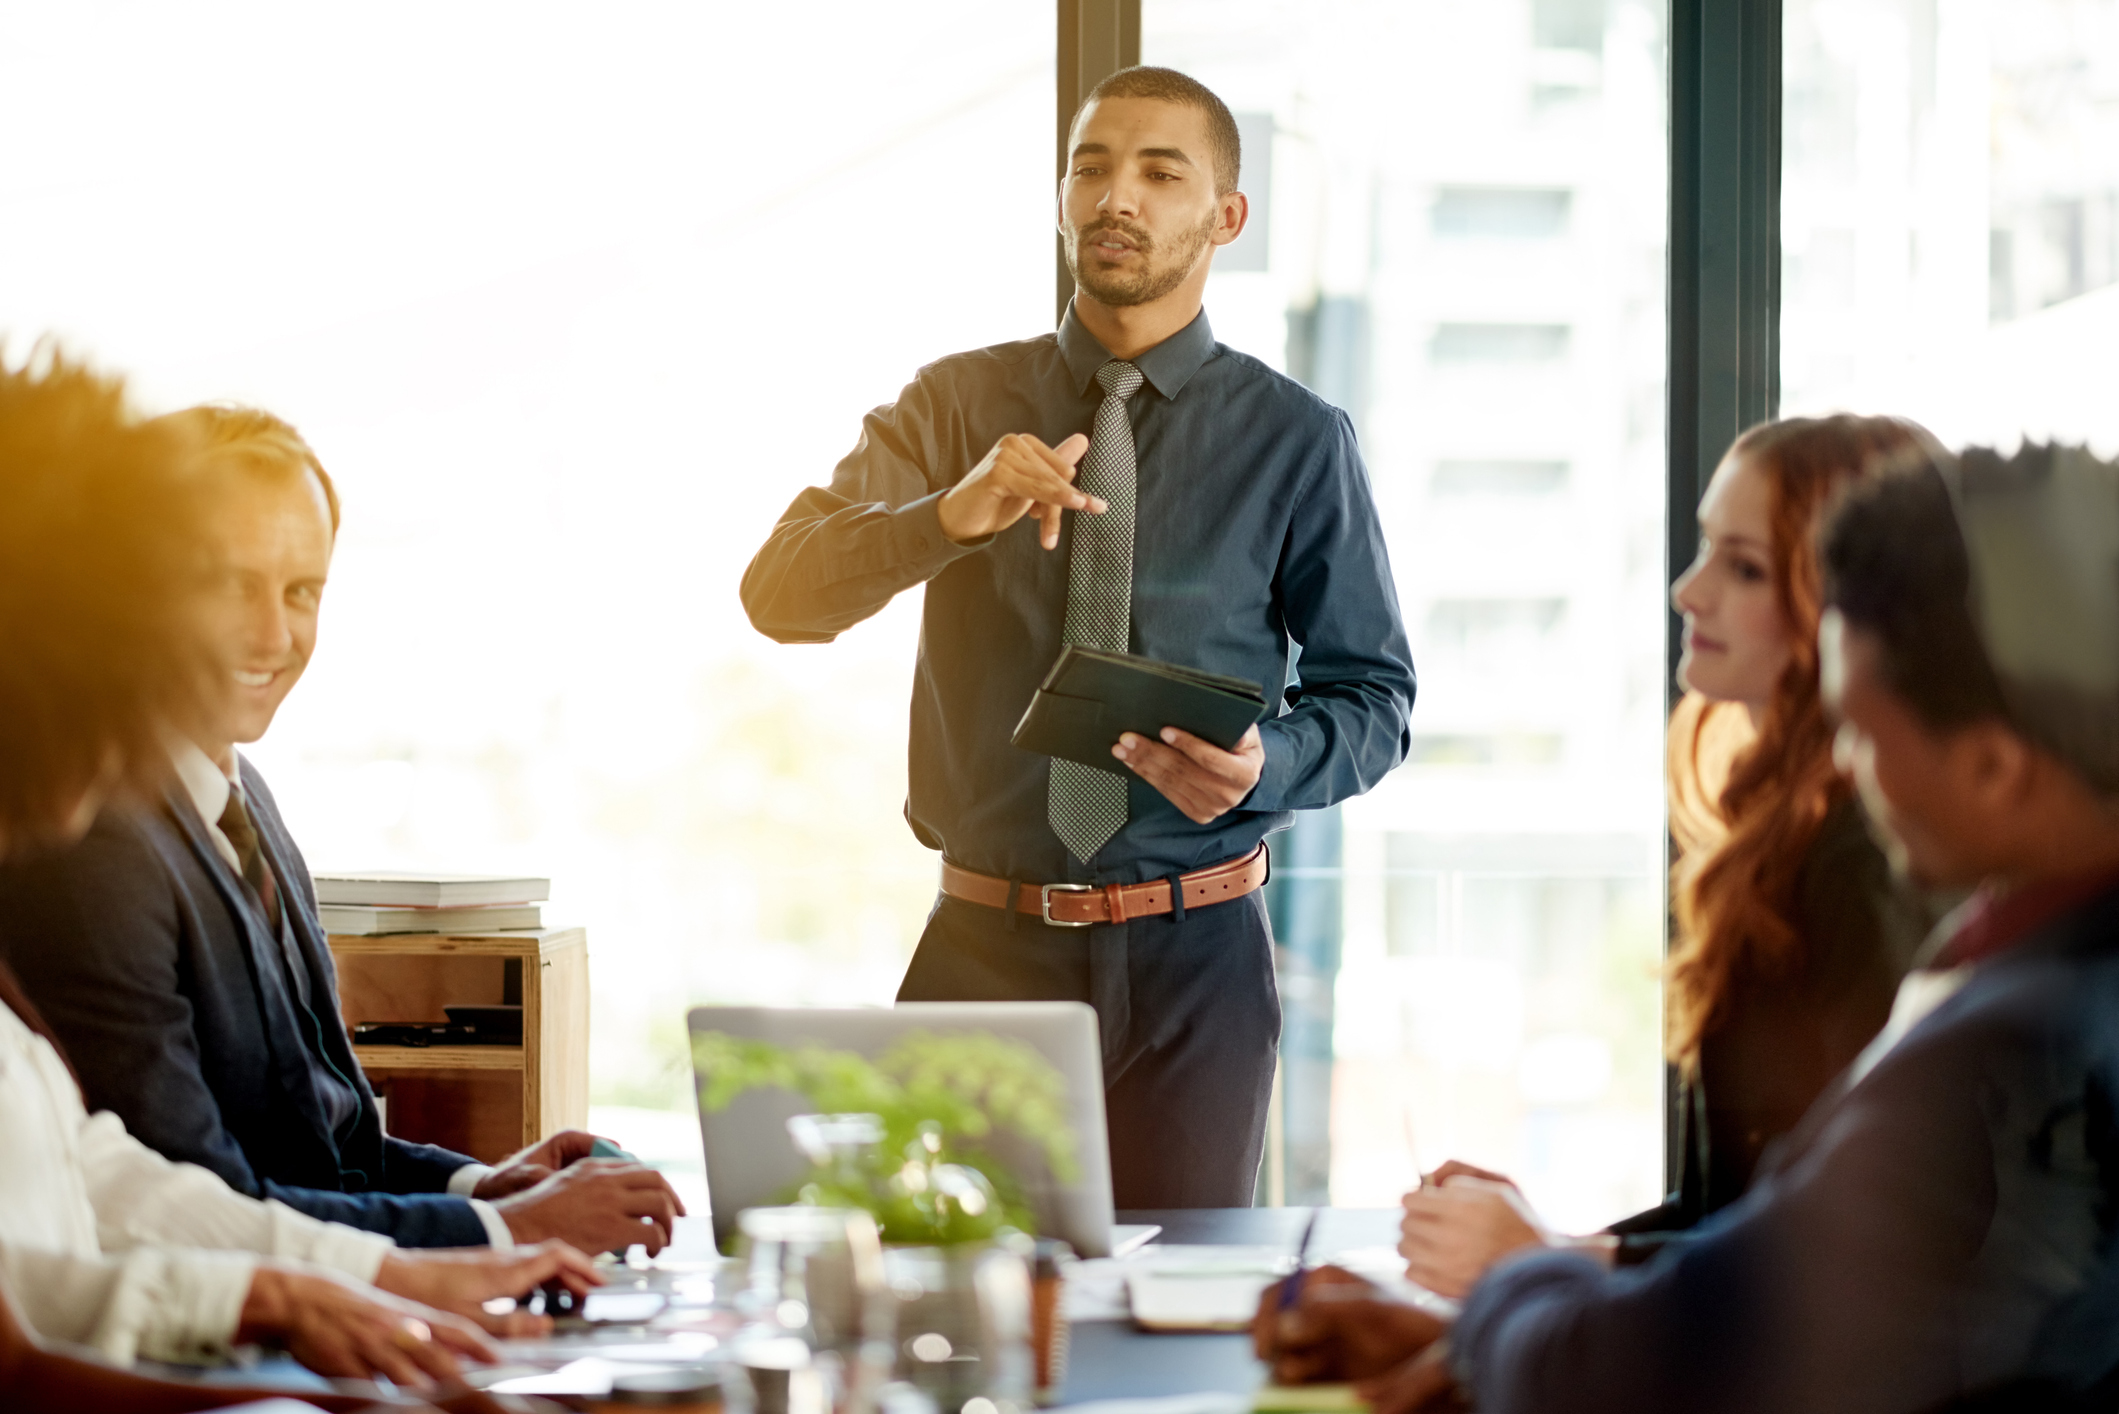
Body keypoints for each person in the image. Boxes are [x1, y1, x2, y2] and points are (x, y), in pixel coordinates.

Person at [1258, 441, 2119, 1411]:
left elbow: (1682, 1354)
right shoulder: (2054, 978)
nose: (1849, 765)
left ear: (1995, 769)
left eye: (1866, 733)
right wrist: (1479, 1333)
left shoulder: (2000, 1045)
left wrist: (1510, 1287)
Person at [740, 65, 1415, 1206]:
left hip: (1196, 958)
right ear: (1060, 196)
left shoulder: (1297, 439)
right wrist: (948, 515)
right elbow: (782, 594)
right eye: (1091, 167)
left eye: (1161, 172)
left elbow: (1374, 697)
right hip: (982, 951)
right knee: (947, 1324)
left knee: (1175, 1337)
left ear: (1225, 216)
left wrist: (1269, 766)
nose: (1118, 198)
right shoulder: (953, 404)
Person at [0, 349, 588, 1402]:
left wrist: (410, 1257)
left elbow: (101, 1185)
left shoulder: (238, 802)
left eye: (300, 590)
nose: (266, 635)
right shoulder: (89, 850)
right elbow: (27, 1348)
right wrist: (313, 1341)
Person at [1397, 416, 1936, 1296]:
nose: (1689, 591)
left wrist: (1555, 1259)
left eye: (1743, 567)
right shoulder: (1782, 840)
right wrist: (1550, 1244)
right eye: (1703, 551)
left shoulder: (1866, 868)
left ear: (1846, 603)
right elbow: (1729, 1209)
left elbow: (1866, 1253)